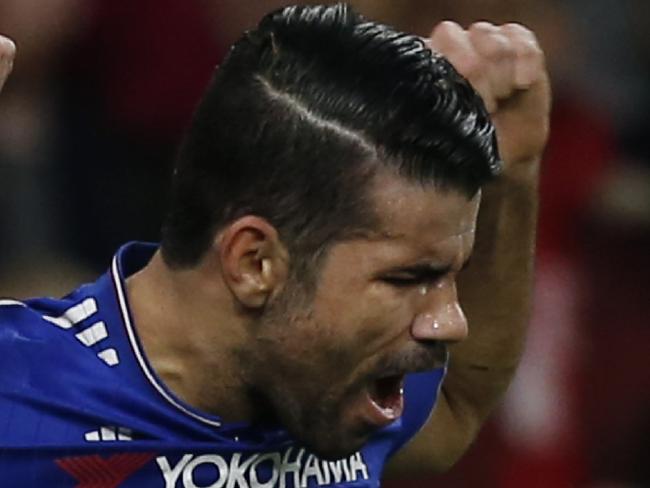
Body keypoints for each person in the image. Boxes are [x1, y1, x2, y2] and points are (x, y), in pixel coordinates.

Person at [0, 4, 549, 486]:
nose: (451, 322)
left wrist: (516, 168)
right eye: (408, 278)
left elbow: (455, 409)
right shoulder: (21, 392)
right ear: (254, 262)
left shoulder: (332, 387)